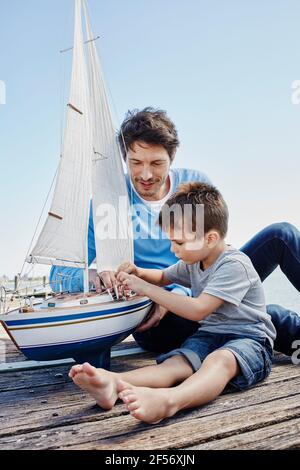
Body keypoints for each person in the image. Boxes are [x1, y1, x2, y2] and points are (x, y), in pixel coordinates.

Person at [50, 107, 300, 356]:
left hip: (207, 291)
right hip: (161, 316)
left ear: (172, 158)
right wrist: (99, 274)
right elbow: (59, 273)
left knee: (282, 234)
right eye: (135, 163)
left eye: (157, 163)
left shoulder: (194, 183)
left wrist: (184, 289)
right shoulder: (107, 203)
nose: (146, 174)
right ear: (124, 159)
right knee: (269, 316)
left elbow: (212, 248)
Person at [69, 182, 276, 424]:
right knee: (177, 362)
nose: (173, 249)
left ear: (210, 238)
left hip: (249, 340)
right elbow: (163, 276)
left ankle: (170, 400)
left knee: (219, 361)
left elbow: (199, 308)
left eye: (179, 242)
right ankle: (114, 383)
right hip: (210, 335)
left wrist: (145, 289)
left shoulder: (234, 265)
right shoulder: (193, 260)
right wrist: (139, 272)